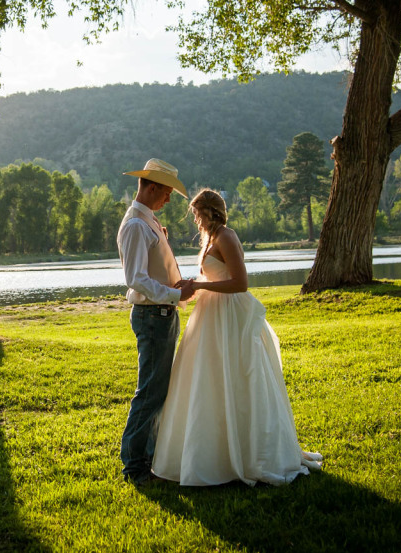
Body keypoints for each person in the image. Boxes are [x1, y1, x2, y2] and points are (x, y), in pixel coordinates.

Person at [152, 188, 322, 486]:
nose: (194, 219)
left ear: (208, 212)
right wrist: (194, 284)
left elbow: (240, 283)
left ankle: (245, 453)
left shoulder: (227, 237)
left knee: (236, 377)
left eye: (196, 213)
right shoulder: (211, 239)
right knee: (210, 380)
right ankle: (212, 452)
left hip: (229, 315)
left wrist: (202, 287)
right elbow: (213, 277)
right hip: (211, 316)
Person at [117, 158, 196, 486]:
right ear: (150, 188)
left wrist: (173, 288)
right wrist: (175, 295)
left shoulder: (147, 221)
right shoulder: (137, 225)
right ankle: (135, 465)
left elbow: (150, 270)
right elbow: (135, 279)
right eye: (166, 193)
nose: (168, 200)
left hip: (161, 313)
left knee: (157, 390)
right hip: (153, 316)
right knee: (150, 391)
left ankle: (146, 457)